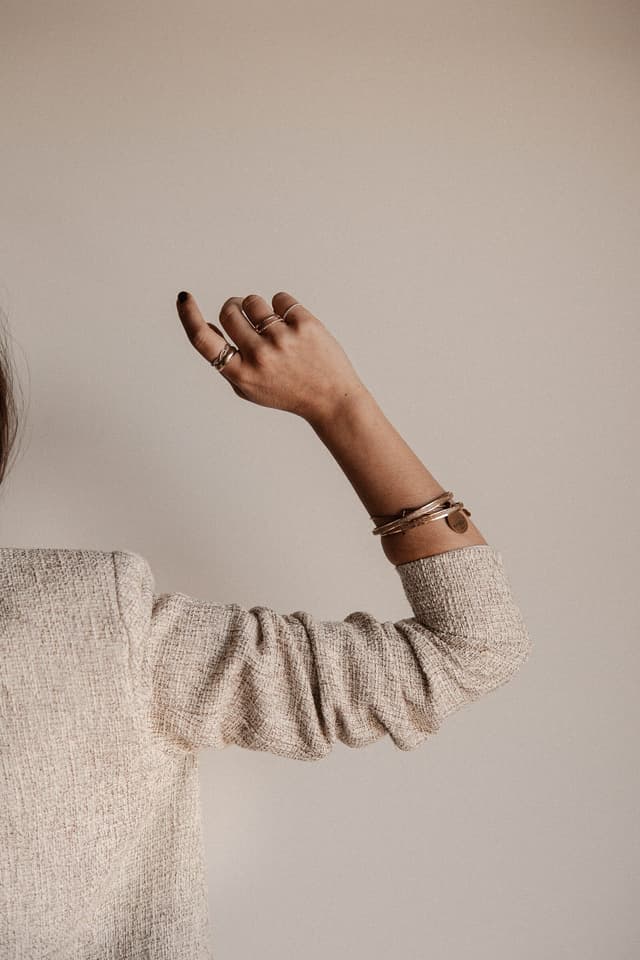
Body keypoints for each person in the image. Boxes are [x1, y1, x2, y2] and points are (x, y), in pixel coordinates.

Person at [0, 289, 532, 958]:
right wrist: (339, 404)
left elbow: (469, 647)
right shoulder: (89, 625)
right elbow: (472, 645)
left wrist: (341, 407)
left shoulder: (88, 626)